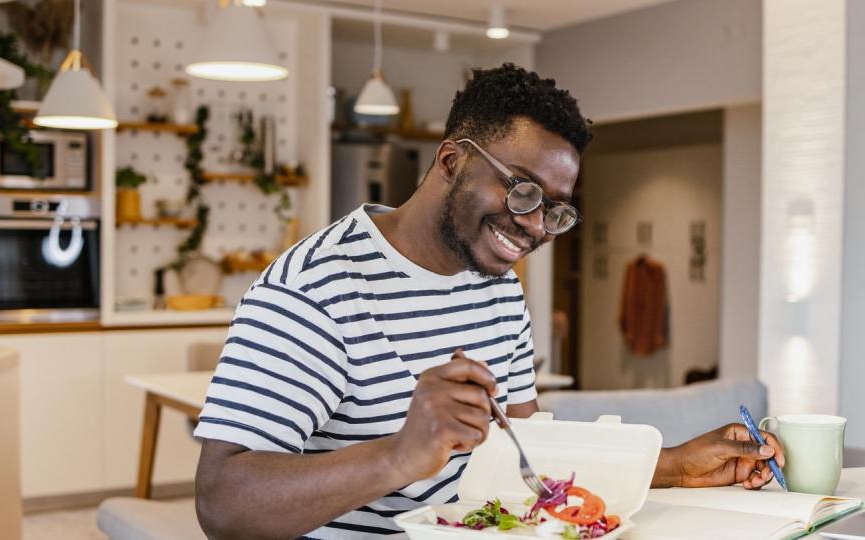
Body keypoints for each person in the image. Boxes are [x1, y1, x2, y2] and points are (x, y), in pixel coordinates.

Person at [193, 64, 784, 539]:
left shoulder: (496, 282)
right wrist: (400, 455)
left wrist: (676, 465)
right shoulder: (314, 288)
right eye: (523, 189)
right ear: (452, 161)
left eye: (555, 209)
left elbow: (526, 455)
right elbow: (223, 504)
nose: (535, 226)